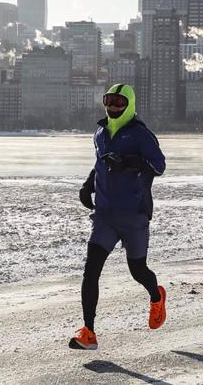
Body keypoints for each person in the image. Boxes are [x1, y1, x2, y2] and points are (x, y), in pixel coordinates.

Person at [68, 83, 167, 351]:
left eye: (119, 103)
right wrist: (88, 185)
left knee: (138, 270)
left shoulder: (141, 135)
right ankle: (88, 332)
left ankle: (156, 296)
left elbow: (159, 165)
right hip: (105, 216)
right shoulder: (100, 133)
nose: (113, 107)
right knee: (91, 271)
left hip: (134, 215)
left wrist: (129, 162)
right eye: (109, 101)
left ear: (129, 105)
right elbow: (99, 163)